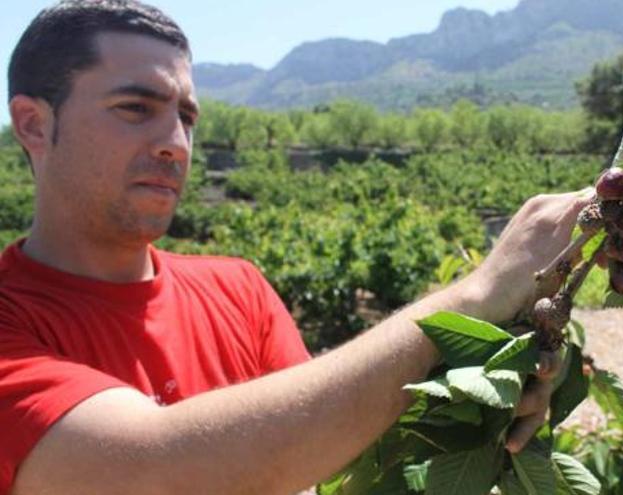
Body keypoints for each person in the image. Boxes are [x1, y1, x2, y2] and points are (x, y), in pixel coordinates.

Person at [1, 1, 592, 494]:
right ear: (32, 124)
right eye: (135, 108)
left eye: (186, 117)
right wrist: (475, 298)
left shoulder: (238, 289)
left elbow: (312, 456)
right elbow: (154, 472)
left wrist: (478, 386)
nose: (175, 144)